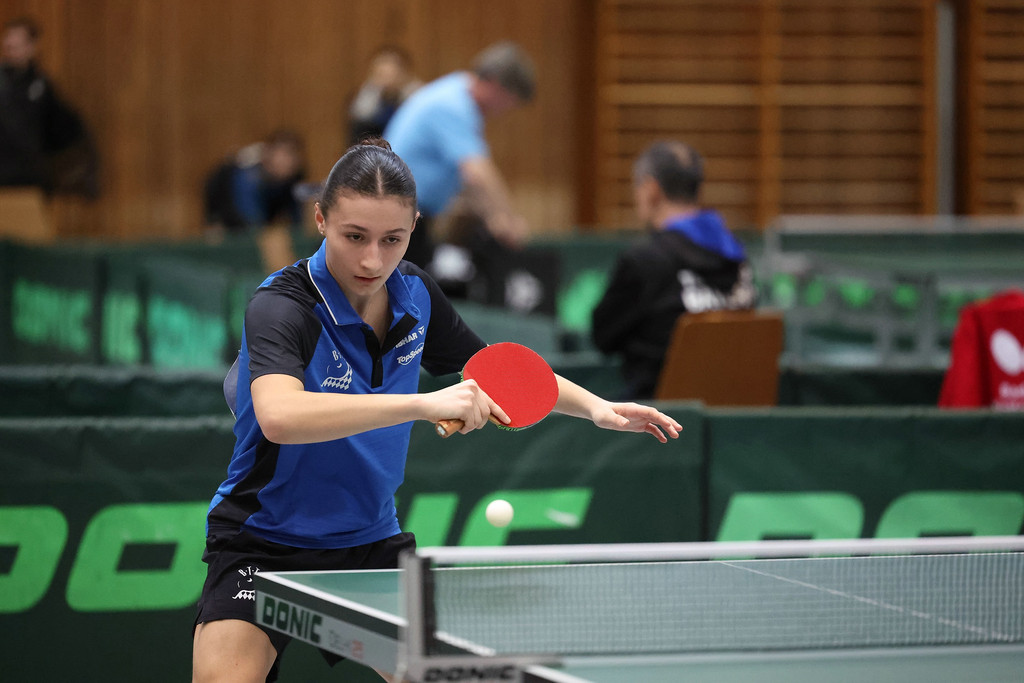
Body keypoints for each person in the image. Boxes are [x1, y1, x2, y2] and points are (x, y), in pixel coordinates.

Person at [191, 138, 682, 683]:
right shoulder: (283, 306)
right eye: (354, 236)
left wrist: (596, 408)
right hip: (262, 539)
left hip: (368, 540)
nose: (372, 259)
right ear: (321, 219)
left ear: (414, 228)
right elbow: (280, 416)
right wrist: (424, 404)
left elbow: (493, 370)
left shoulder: (415, 295)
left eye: (392, 239)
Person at [591, 140, 757, 400]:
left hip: (659, 413)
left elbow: (603, 337)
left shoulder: (643, 261)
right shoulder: (737, 257)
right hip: (738, 411)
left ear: (651, 189)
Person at [383, 41, 533, 272]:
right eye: (510, 100)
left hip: (405, 213)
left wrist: (494, 217)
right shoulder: (453, 106)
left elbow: (468, 181)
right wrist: (508, 220)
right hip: (394, 215)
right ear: (495, 84)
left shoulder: (456, 93)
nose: (507, 110)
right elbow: (477, 173)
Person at [0, 16, 96, 195]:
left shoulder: (41, 85)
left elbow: (62, 127)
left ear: (31, 47)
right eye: (8, 40)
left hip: (29, 175)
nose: (10, 44)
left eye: (17, 41)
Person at [203, 129, 308, 272]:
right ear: (269, 155)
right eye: (283, 154)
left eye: (293, 155)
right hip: (225, 210)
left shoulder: (296, 177)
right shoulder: (249, 176)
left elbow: (297, 219)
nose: (288, 161)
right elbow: (251, 220)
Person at [347, 45, 421, 145]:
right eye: (380, 73)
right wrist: (372, 91)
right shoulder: (367, 96)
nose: (386, 79)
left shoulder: (419, 98)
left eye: (391, 73)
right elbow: (360, 118)